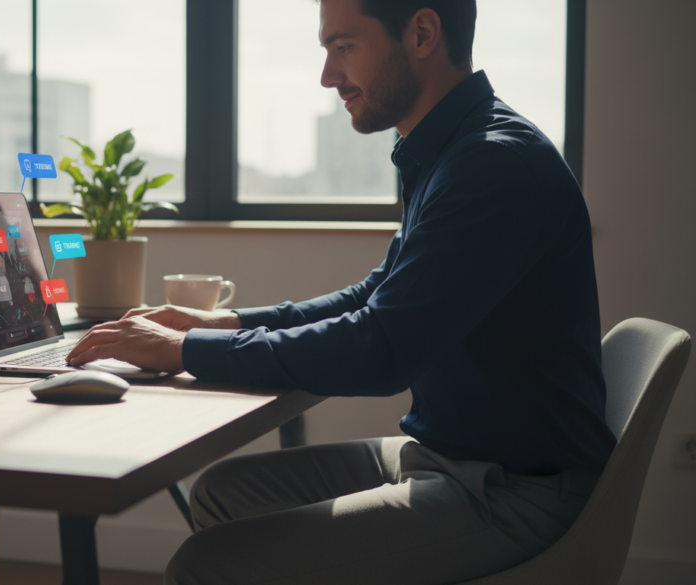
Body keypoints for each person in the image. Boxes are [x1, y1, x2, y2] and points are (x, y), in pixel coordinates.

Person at [66, 0, 617, 582]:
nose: (328, 75)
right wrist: (220, 326)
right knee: (223, 494)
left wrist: (180, 352)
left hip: (511, 492)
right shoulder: (451, 151)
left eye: (343, 47)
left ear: (423, 33)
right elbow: (375, 297)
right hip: (448, 458)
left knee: (203, 566)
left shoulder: (491, 164)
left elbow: (381, 349)